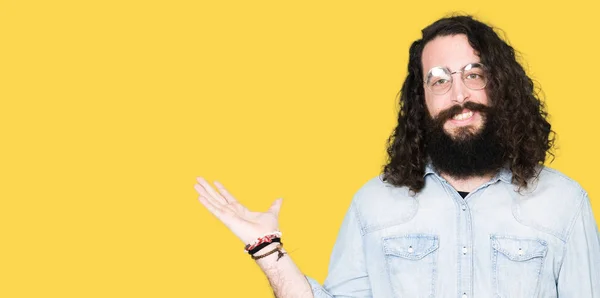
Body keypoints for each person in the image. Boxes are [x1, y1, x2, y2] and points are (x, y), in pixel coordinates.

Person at [195, 15, 600, 297]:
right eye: (439, 81)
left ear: (499, 85)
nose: (459, 96)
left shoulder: (564, 203)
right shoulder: (374, 203)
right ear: (420, 101)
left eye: (474, 74)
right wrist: (268, 251)